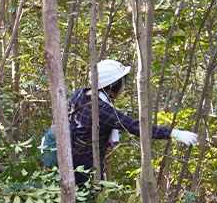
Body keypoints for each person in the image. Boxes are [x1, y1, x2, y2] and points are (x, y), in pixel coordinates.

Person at [68, 59, 198, 186]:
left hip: (71, 158)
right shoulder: (101, 109)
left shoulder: (80, 94)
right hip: (86, 167)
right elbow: (134, 127)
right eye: (121, 82)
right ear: (113, 85)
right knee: (89, 197)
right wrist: (175, 133)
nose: (123, 87)